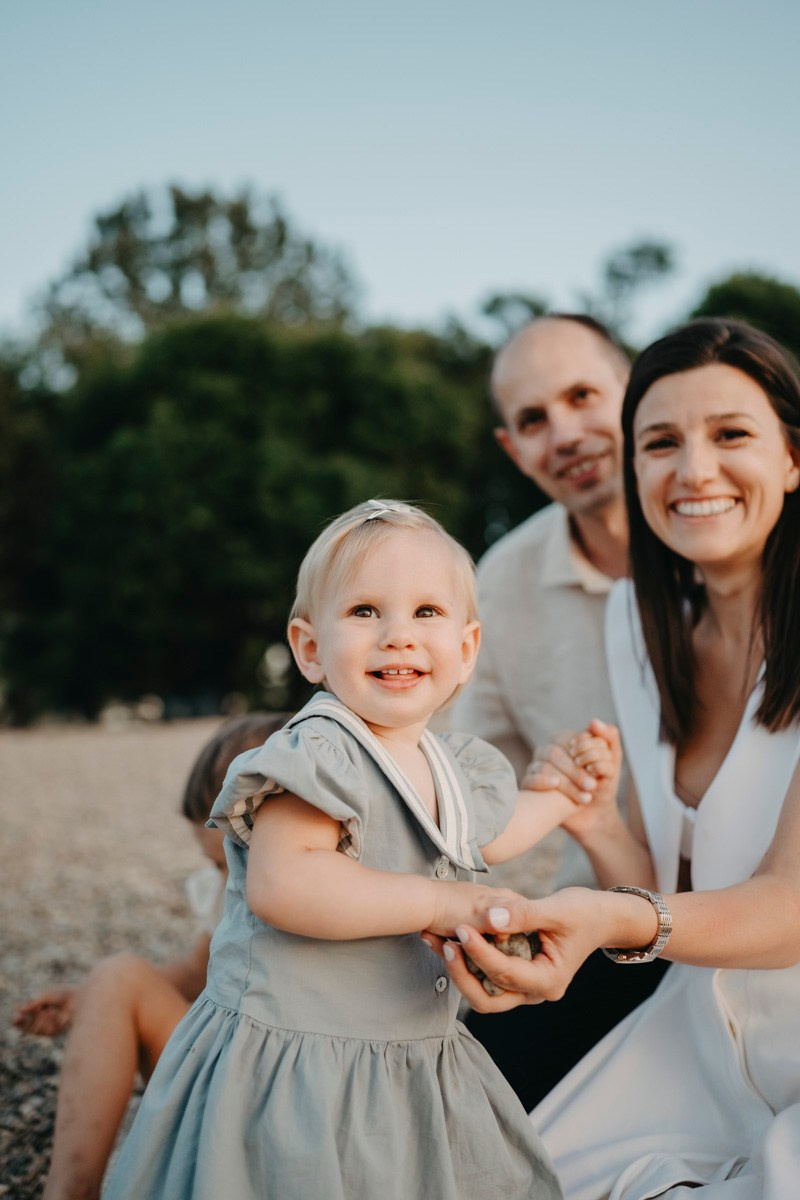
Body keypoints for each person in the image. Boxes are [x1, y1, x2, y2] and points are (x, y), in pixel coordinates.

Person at [103, 498, 618, 1200]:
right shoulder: (317, 753)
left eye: (426, 614)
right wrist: (443, 899)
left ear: (467, 650)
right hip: (296, 1062)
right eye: (366, 612)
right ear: (310, 648)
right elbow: (287, 884)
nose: (398, 636)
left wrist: (562, 794)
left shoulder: (447, 764)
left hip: (408, 1057)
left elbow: (490, 832)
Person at [442, 318, 800, 1198]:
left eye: (731, 436)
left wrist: (609, 923)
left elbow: (792, 903)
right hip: (694, 1028)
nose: (694, 472)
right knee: (472, 1168)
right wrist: (596, 822)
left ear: (794, 457)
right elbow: (653, 876)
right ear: (634, 468)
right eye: (663, 443)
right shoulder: (640, 630)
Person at [453, 314, 667, 1108]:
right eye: (535, 420)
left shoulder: (726, 539)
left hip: (761, 906)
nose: (567, 433)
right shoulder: (502, 584)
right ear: (512, 448)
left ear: (636, 393)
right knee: (455, 1091)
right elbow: (467, 795)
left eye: (584, 396)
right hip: (607, 925)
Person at [15, 712, 288, 1200]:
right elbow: (189, 976)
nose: (229, 882)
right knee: (116, 980)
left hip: (284, 1102)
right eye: (214, 866)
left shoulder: (335, 909)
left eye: (234, 864)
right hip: (236, 1085)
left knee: (120, 978)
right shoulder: (227, 899)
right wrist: (89, 1002)